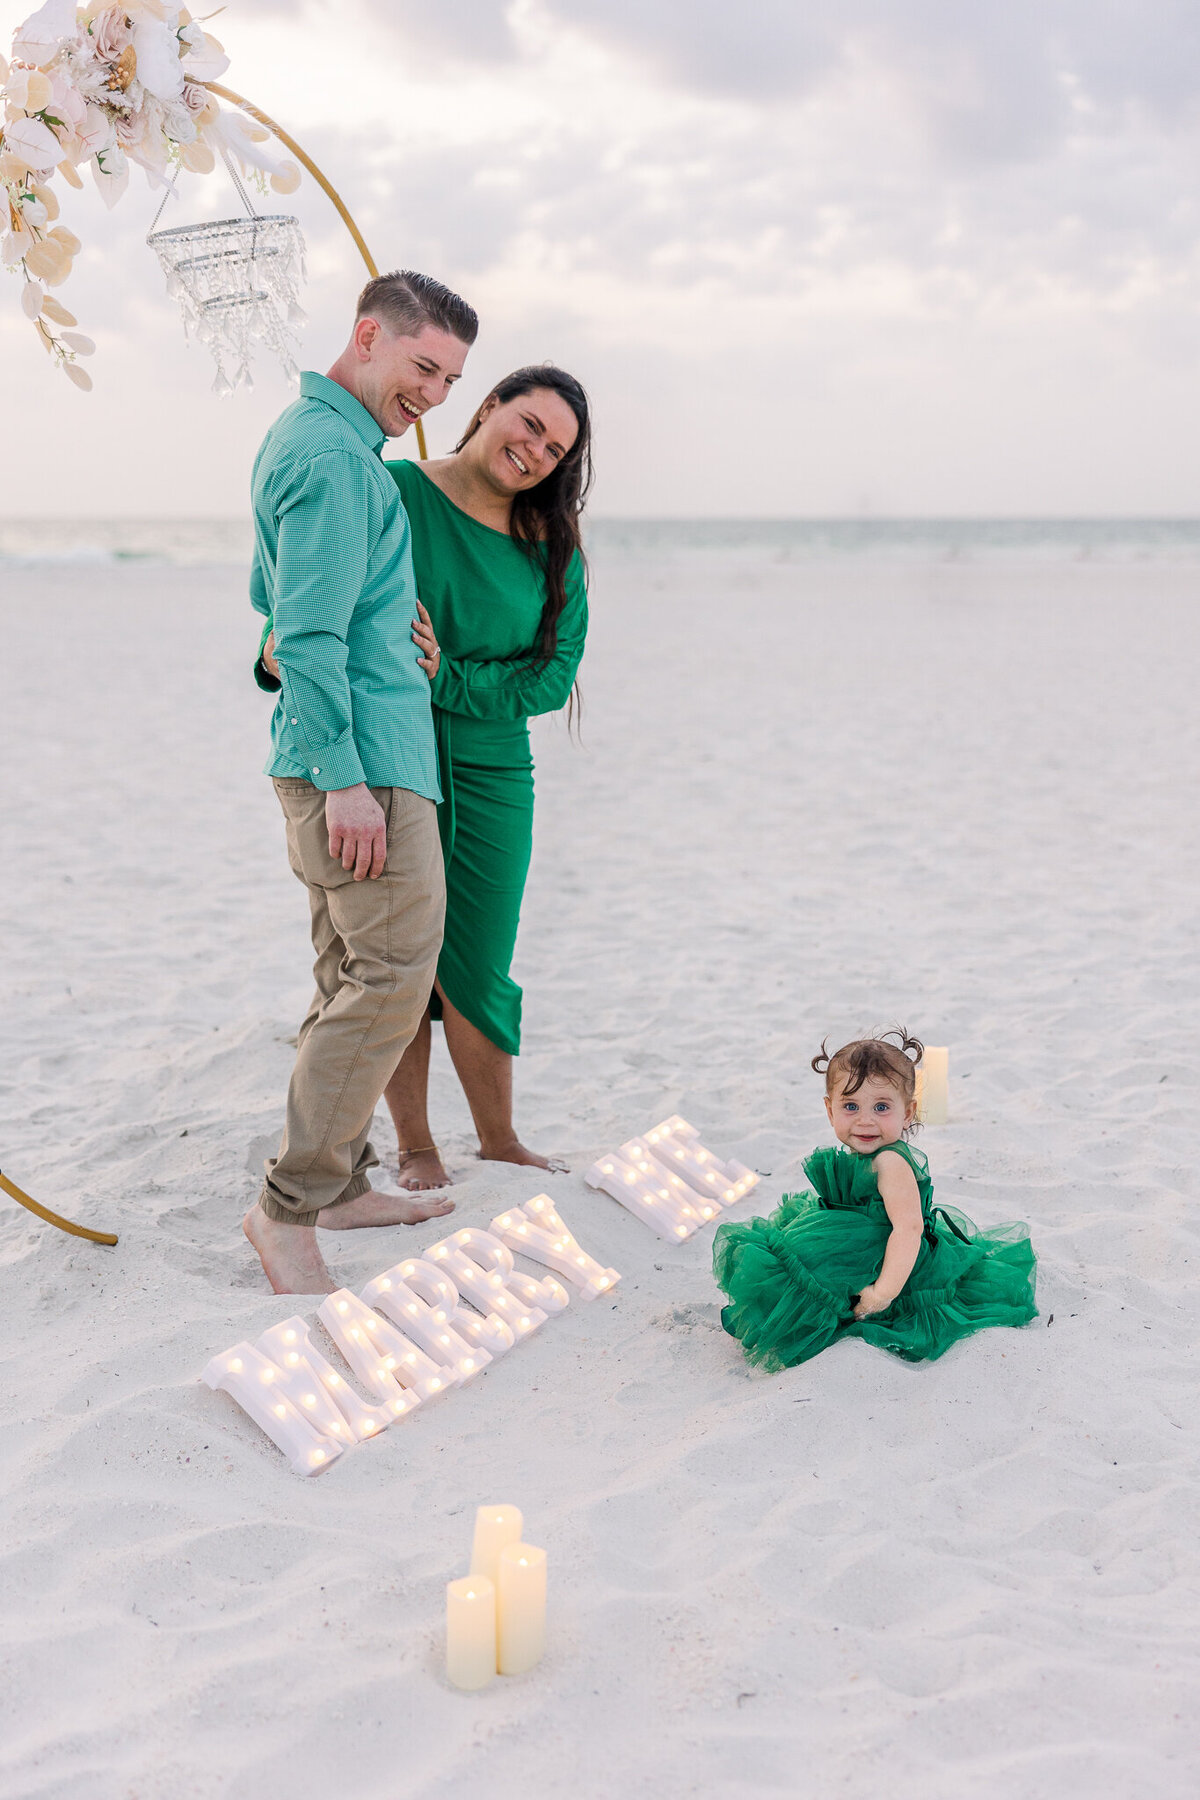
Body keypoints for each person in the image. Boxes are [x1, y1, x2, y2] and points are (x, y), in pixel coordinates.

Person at [262, 365, 592, 1194]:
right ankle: (415, 1146)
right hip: (385, 755)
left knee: (478, 959)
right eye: (530, 425)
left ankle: (501, 1138)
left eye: (557, 449)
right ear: (488, 408)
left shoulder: (550, 543)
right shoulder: (394, 486)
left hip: (491, 768)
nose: (537, 452)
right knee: (398, 959)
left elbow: (550, 678)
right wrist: (276, 648)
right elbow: (308, 585)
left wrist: (447, 677)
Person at [243, 269, 478, 1296]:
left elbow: (306, 609)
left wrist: (403, 634)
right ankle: (290, 1208)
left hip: (369, 753)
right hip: (359, 770)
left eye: (451, 380)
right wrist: (345, 782)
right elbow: (298, 633)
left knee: (355, 975)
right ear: (368, 335)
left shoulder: (332, 446)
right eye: (423, 367)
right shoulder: (333, 457)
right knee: (387, 980)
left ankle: (336, 1184)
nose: (433, 395)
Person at [713, 1032, 1038, 1368]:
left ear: (908, 1112)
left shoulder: (890, 1162)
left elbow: (909, 1228)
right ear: (829, 1110)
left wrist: (883, 1292)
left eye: (881, 1107)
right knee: (792, 1255)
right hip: (850, 1236)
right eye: (850, 1106)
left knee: (803, 1272)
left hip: (890, 1256)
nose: (865, 1120)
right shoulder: (864, 1152)